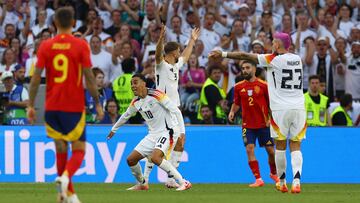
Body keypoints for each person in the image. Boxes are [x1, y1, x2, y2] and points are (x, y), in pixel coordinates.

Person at [210, 32, 307, 194]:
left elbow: (244, 55)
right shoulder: (297, 59)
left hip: (281, 109)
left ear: (277, 44)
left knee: (281, 146)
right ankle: (296, 181)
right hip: (299, 107)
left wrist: (223, 54)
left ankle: (282, 182)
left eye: (273, 42)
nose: (271, 45)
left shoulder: (273, 59)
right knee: (296, 146)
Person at [27, 7, 104, 203]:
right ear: (73, 23)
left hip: (51, 107)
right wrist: (97, 103)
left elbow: (36, 79)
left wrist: (30, 105)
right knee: (79, 149)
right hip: (74, 107)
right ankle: (66, 179)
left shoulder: (45, 46)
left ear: (54, 24)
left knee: (60, 149)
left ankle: (68, 195)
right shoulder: (80, 46)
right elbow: (89, 77)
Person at [106, 73, 191, 191]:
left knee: (156, 158)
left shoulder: (157, 95)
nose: (132, 86)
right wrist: (113, 130)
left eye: (135, 82)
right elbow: (126, 115)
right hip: (152, 134)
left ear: (143, 83)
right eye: (131, 83)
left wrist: (182, 132)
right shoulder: (136, 101)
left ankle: (183, 182)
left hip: (167, 131)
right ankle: (142, 183)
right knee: (131, 160)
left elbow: (176, 111)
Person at [143, 24, 200, 188]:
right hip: (164, 109)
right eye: (179, 50)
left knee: (181, 140)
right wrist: (160, 39)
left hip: (176, 109)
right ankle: (145, 179)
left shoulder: (175, 66)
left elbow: (187, 56)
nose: (180, 52)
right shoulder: (161, 66)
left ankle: (170, 179)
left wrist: (192, 41)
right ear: (174, 52)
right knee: (159, 143)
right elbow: (158, 54)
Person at [228, 60, 279, 188]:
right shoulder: (238, 87)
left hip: (263, 125)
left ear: (254, 69)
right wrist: (232, 112)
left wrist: (270, 119)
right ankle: (258, 179)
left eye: (247, 68)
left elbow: (271, 104)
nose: (244, 70)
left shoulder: (264, 85)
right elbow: (236, 103)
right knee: (249, 149)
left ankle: (273, 173)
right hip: (247, 125)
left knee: (271, 151)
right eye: (243, 68)